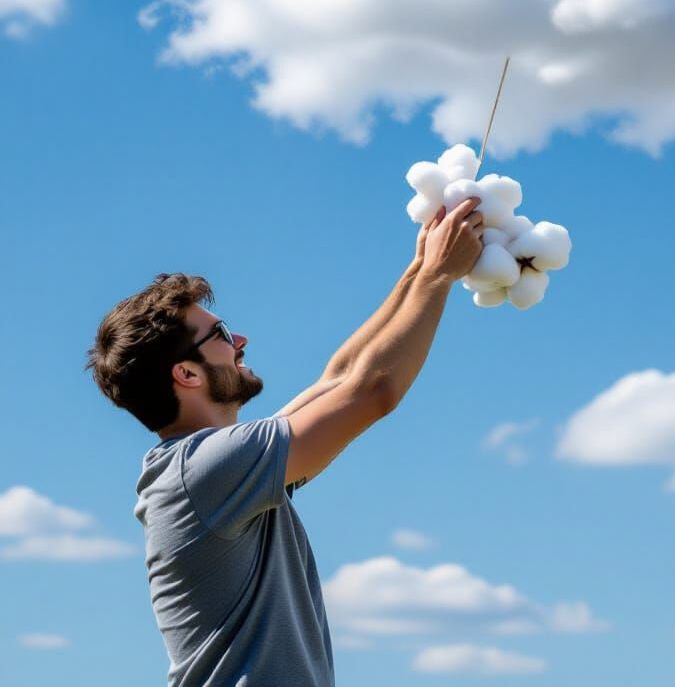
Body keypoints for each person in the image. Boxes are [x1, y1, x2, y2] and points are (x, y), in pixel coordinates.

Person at [85, 198, 484, 687]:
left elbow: (337, 381)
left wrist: (419, 268)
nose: (241, 341)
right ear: (186, 373)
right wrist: (438, 278)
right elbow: (373, 392)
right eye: (221, 335)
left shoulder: (211, 464)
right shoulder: (206, 468)